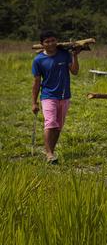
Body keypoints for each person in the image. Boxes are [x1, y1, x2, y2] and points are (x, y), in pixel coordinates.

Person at [31, 30, 81, 164]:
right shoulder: (38, 60)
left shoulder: (64, 55)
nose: (51, 43)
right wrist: (34, 102)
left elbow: (75, 71)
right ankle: (49, 154)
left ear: (56, 41)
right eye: (47, 41)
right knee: (50, 123)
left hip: (65, 96)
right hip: (48, 96)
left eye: (53, 40)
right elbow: (36, 82)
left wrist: (75, 56)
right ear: (42, 44)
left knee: (58, 126)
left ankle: (50, 151)